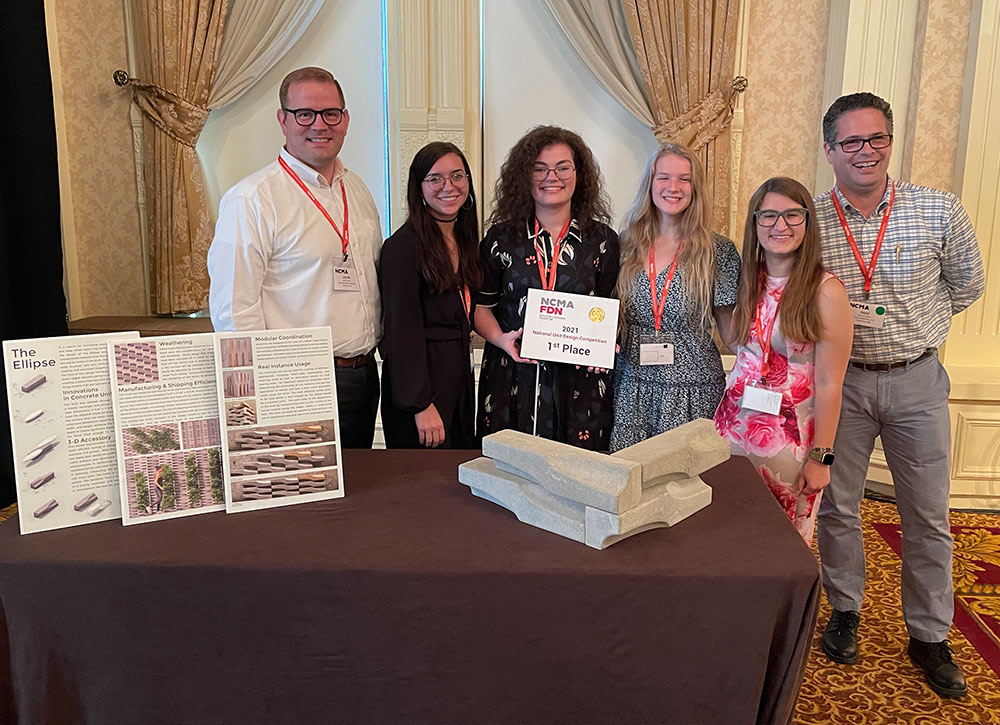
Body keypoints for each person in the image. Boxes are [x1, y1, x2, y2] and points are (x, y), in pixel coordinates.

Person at [814, 92, 984, 697]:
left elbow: (968, 285)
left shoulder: (939, 210)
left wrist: (916, 330)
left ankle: (929, 635)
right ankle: (845, 610)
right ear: (830, 149)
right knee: (837, 505)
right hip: (842, 384)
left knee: (928, 515)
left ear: (891, 142)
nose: (866, 151)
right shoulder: (811, 219)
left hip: (916, 380)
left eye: (877, 138)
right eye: (852, 142)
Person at [207, 67, 383, 448]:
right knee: (302, 496)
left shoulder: (357, 188)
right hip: (294, 380)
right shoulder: (252, 199)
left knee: (358, 496)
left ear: (346, 120)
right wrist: (258, 397)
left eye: (330, 113)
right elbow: (233, 312)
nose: (319, 125)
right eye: (305, 114)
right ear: (283, 120)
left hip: (363, 375)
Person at [713, 178, 852, 545]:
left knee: (782, 549)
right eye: (770, 215)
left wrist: (821, 458)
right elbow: (736, 343)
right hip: (731, 431)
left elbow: (830, 384)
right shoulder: (745, 281)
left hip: (790, 444)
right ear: (755, 223)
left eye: (792, 215)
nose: (780, 225)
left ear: (807, 223)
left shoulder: (826, 291)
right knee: (725, 539)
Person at [475, 126, 619, 450]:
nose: (551, 177)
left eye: (562, 167)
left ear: (578, 173)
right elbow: (480, 308)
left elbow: (613, 308)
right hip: (514, 376)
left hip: (580, 385)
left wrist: (606, 344)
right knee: (509, 480)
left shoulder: (603, 242)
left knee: (578, 481)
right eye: (539, 168)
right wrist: (500, 339)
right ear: (524, 177)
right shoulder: (501, 239)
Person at [611, 143, 740, 451]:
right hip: (631, 387)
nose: (674, 187)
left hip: (693, 390)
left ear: (695, 188)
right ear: (649, 184)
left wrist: (771, 360)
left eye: (684, 179)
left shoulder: (718, 251)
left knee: (687, 486)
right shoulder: (623, 245)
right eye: (663, 177)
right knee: (629, 482)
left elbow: (731, 331)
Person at [378, 142, 480, 449]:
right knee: (424, 486)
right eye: (435, 178)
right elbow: (401, 332)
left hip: (457, 377)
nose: (448, 186)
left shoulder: (467, 241)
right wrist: (420, 405)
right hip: (421, 390)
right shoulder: (403, 248)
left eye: (457, 176)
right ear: (418, 187)